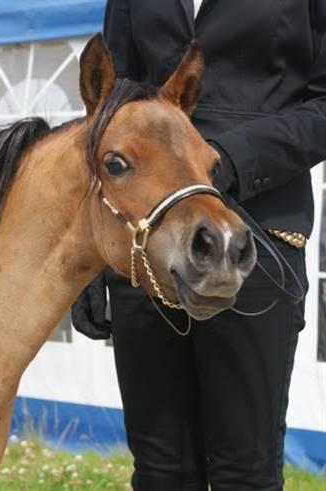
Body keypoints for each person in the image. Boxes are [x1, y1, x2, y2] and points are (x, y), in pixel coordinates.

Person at [73, 1, 326, 490]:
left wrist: (226, 160)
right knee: (160, 469)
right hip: (147, 245)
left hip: (255, 234)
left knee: (244, 475)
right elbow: (112, 106)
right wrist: (94, 251)